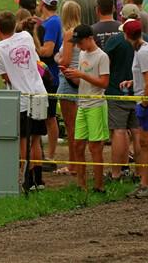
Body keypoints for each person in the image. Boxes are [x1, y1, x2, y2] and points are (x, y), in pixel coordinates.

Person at [0, 11, 49, 191]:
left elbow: (6, 77)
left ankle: (28, 179)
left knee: (23, 140)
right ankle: (38, 180)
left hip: (22, 99)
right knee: (36, 141)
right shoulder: (25, 36)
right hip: (39, 93)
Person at [63, 24, 110, 192]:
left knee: (95, 147)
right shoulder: (83, 53)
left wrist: (82, 75)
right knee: (78, 145)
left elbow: (104, 83)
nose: (77, 46)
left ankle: (99, 185)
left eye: (79, 42)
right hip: (82, 103)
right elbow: (81, 82)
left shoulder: (102, 57)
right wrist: (71, 76)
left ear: (90, 38)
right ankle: (81, 184)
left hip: (96, 105)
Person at [121, 19, 148, 197]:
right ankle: (145, 182)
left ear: (127, 35)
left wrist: (144, 101)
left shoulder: (143, 52)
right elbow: (144, 77)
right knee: (144, 143)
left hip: (146, 103)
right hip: (143, 98)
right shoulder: (142, 50)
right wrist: (133, 82)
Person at [31, 0, 63, 169]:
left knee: (50, 117)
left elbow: (47, 51)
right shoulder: (53, 21)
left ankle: (50, 157)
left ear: (42, 4)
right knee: (47, 116)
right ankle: (47, 155)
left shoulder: (51, 24)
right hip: (49, 75)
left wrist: (33, 42)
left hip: (49, 75)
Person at [56, 0, 82, 176]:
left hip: (67, 81)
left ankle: (74, 164)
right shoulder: (84, 32)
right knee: (77, 126)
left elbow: (64, 61)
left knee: (71, 127)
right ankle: (78, 162)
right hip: (80, 79)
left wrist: (56, 59)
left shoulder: (69, 34)